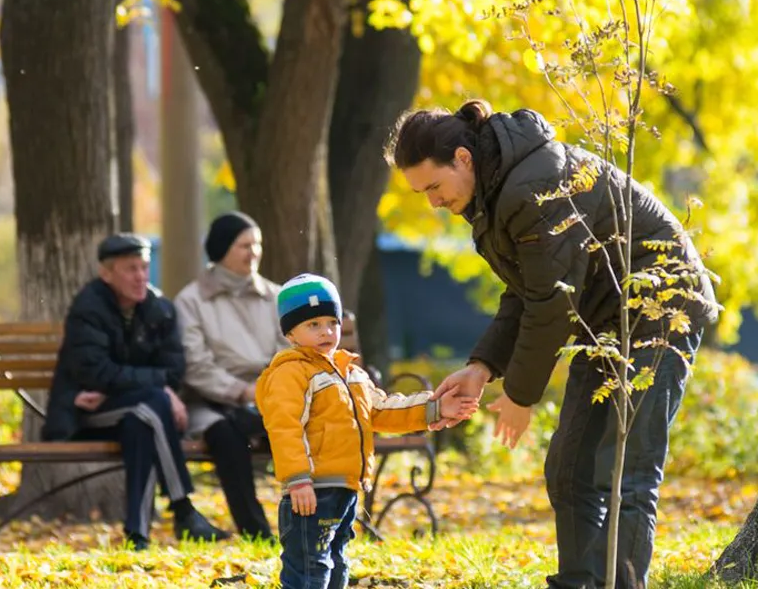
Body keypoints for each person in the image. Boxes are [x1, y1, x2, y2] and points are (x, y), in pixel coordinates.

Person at [384, 101, 722, 589]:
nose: (432, 203)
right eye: (422, 194)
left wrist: (520, 397)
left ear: (462, 158)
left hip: (660, 308)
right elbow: (527, 291)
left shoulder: (533, 185)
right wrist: (481, 366)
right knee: (570, 467)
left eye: (433, 187)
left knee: (626, 466)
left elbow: (550, 302)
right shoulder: (493, 192)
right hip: (603, 320)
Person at [256, 273, 479, 589]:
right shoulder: (291, 374)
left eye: (331, 322)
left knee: (337, 563)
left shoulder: (352, 374)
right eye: (313, 325)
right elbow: (284, 428)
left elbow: (382, 410)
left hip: (346, 487)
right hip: (311, 490)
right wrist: (297, 480)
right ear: (291, 333)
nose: (326, 332)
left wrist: (436, 407)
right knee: (309, 569)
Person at [40, 232, 231, 550]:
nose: (141, 276)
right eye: (131, 269)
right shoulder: (88, 308)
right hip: (85, 414)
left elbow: (174, 370)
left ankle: (138, 534)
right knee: (155, 401)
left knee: (142, 420)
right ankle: (183, 510)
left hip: (134, 411)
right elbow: (95, 372)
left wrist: (145, 387)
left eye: (143, 267)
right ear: (106, 273)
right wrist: (160, 389)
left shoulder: (160, 309)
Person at [174, 211, 284, 540]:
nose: (254, 253)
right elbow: (196, 365)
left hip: (271, 398)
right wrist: (243, 392)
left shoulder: (277, 297)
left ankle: (322, 522)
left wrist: (269, 391)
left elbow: (289, 351)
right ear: (222, 249)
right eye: (244, 245)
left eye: (257, 244)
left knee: (301, 425)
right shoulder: (191, 301)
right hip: (209, 402)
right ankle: (257, 533)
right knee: (225, 433)